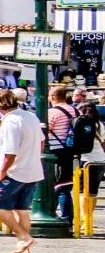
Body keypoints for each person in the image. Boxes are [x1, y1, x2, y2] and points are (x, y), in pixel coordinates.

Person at [0, 86, 45, 253]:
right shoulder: (30, 116)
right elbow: (42, 142)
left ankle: (24, 237)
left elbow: (10, 153)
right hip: (33, 170)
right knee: (22, 210)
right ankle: (24, 249)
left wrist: (2, 171)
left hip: (15, 171)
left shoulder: (10, 122)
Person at [47, 84, 78, 223]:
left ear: (53, 96)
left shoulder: (53, 112)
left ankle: (65, 217)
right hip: (70, 151)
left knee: (60, 186)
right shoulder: (75, 110)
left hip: (55, 151)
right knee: (64, 184)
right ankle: (61, 215)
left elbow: (45, 131)